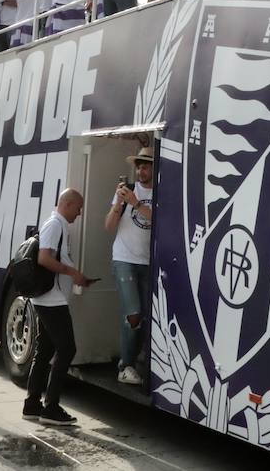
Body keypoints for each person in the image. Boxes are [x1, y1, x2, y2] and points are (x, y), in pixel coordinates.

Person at [24, 188, 95, 427]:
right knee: (67, 349)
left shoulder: (59, 225)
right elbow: (44, 258)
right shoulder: (55, 224)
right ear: (67, 204)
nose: (80, 213)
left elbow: (58, 258)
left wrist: (77, 277)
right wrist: (71, 272)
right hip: (51, 300)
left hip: (50, 298)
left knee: (44, 351)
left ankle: (32, 405)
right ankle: (50, 407)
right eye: (78, 207)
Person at [105, 147, 154, 385]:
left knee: (144, 316)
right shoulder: (129, 191)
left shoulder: (161, 191)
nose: (140, 170)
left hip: (149, 261)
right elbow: (109, 226)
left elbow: (159, 220)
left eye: (145, 165)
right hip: (124, 258)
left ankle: (135, 359)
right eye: (138, 166)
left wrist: (135, 204)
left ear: (154, 168)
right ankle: (126, 366)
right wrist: (119, 203)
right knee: (133, 314)